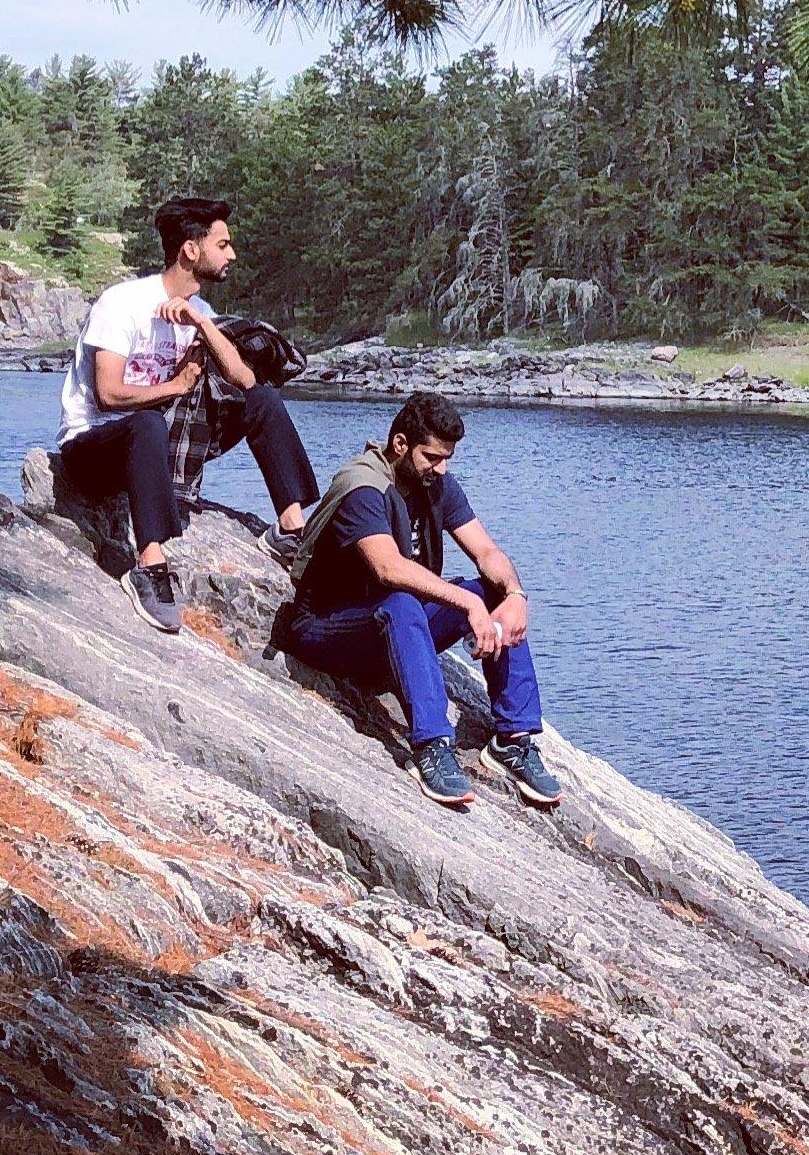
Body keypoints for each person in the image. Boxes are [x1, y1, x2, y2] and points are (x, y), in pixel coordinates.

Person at [273, 391, 564, 812]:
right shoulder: (363, 486)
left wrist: (516, 596)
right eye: (432, 457)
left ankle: (513, 741)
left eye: (447, 458)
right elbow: (387, 569)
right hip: (325, 627)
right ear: (400, 445)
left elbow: (486, 552)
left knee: (493, 590)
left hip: (390, 627)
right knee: (405, 601)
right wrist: (465, 603)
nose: (441, 468)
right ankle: (431, 744)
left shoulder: (436, 483)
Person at [56, 194, 321, 634]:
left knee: (263, 400)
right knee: (147, 422)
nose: (232, 254)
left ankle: (290, 528)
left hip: (161, 441)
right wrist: (176, 386)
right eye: (223, 244)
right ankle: (151, 566)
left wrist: (203, 326)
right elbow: (106, 394)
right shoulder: (122, 303)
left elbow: (246, 380)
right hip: (94, 447)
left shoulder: (202, 313)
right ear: (190, 250)